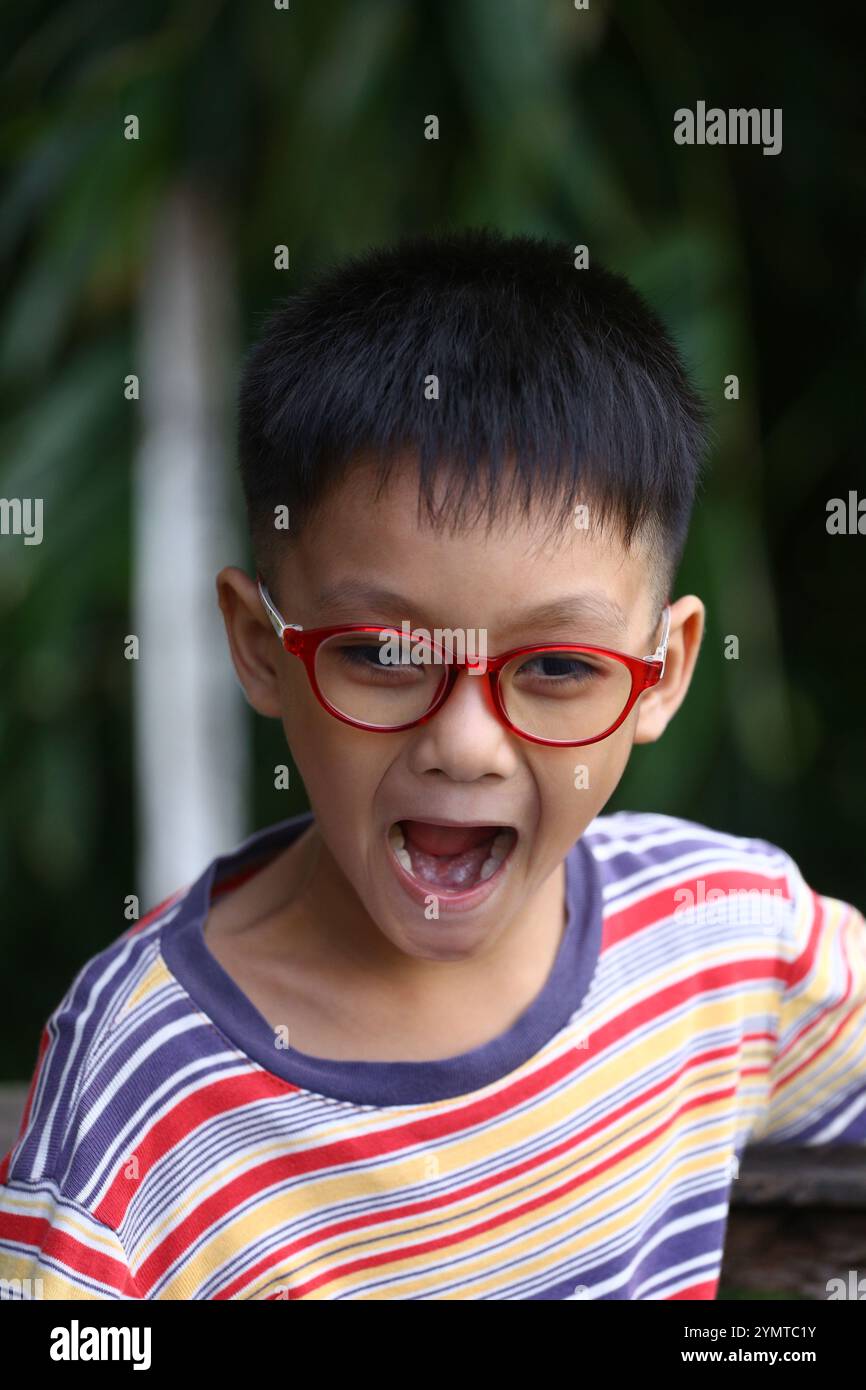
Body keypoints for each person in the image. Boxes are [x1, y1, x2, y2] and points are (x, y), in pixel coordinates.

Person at [1, 228, 863, 1300]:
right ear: (262, 649)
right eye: (381, 655)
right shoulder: (147, 1088)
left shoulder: (727, 941)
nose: (463, 742)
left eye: (554, 664)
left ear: (659, 675)